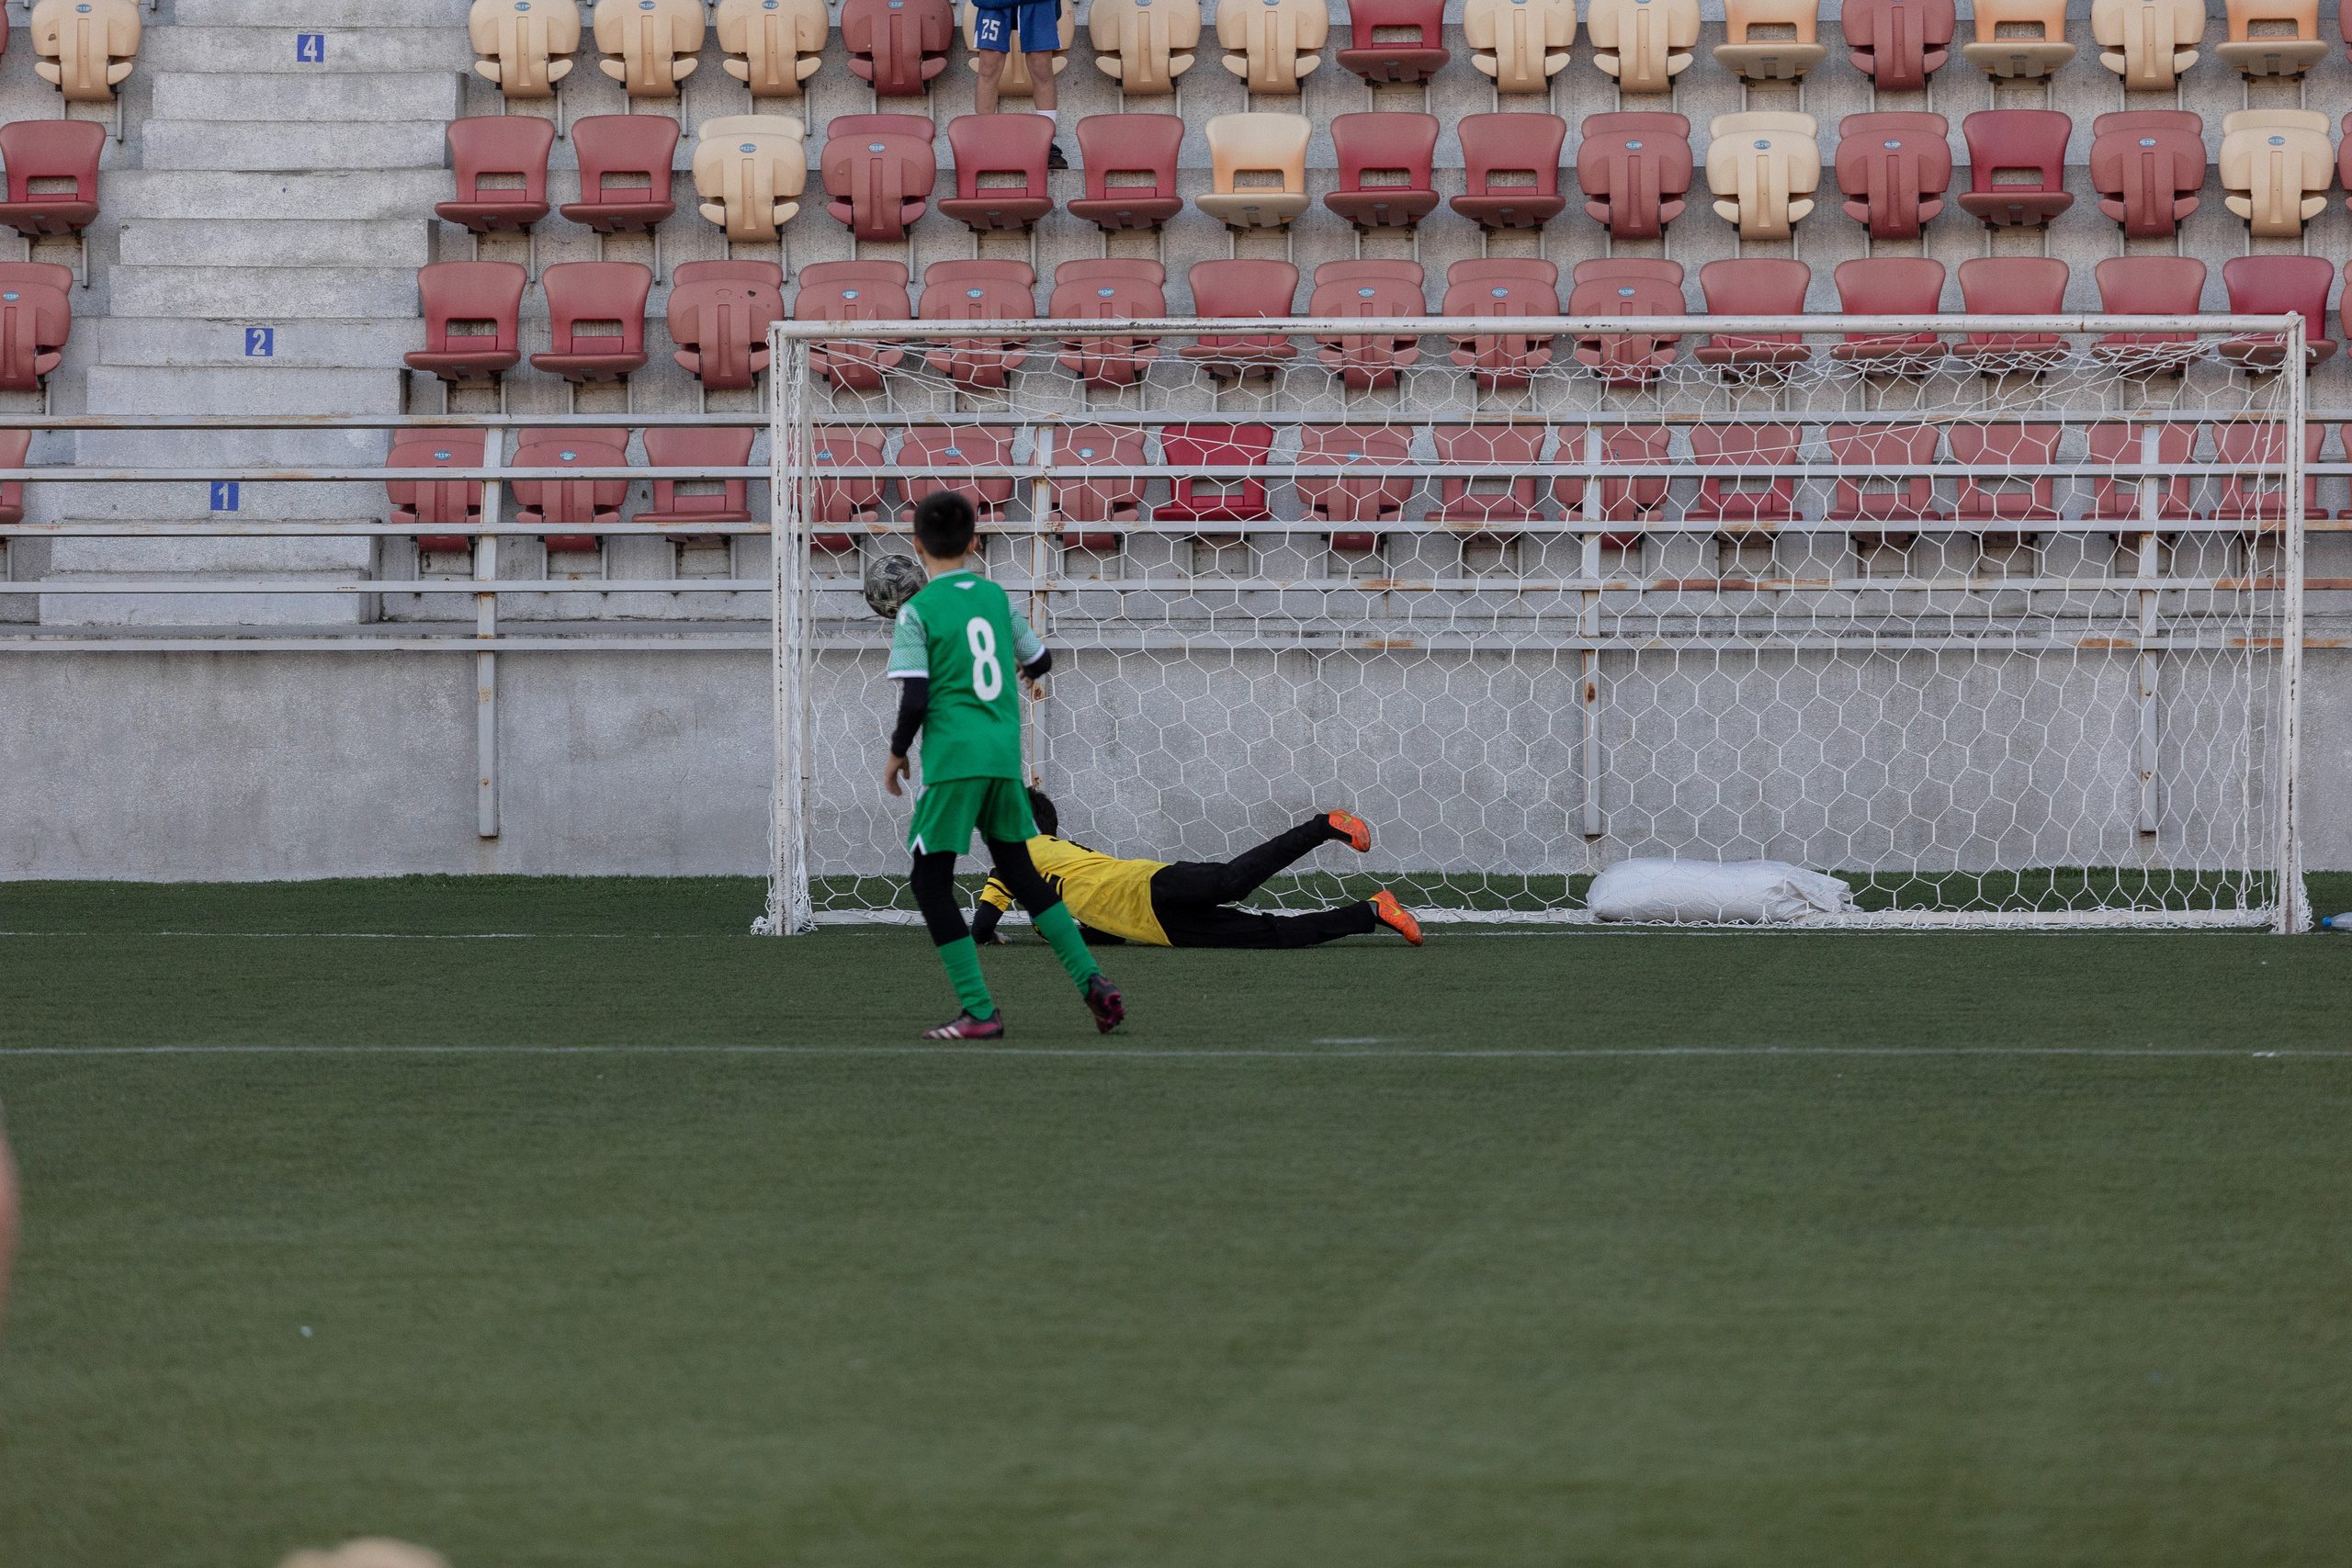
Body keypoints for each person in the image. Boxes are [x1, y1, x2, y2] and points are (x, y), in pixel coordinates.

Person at [886, 492, 1124, 1039]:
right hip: (1002, 757)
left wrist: (898, 753)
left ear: (917, 544)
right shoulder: (995, 597)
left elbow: (917, 698)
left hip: (953, 762)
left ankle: (978, 1011)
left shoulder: (916, 611)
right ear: (975, 543)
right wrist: (1022, 667)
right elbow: (1040, 659)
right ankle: (1093, 981)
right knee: (1020, 873)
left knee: (930, 882)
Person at [974, 789, 1426, 950]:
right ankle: (1372, 911)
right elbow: (1104, 924)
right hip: (1159, 928)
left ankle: (1324, 825)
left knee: (1233, 882)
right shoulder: (1065, 855)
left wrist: (998, 934)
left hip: (1152, 884)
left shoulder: (1014, 861)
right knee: (1273, 937)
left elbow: (980, 927)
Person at [968, 0, 1068, 168]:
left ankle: (1046, 141)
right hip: (995, 4)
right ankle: (984, 142)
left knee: (1041, 67)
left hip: (1038, 5)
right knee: (989, 67)